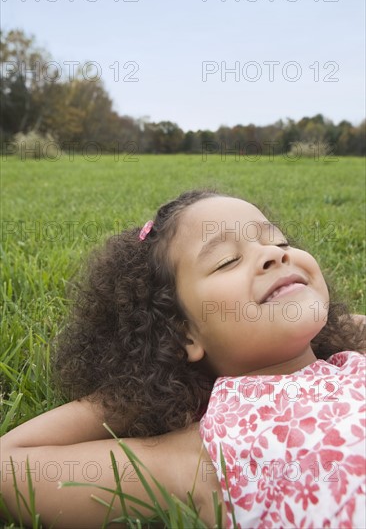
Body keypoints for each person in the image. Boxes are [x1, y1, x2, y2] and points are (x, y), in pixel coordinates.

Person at [1, 189, 365, 529]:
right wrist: (140, 391)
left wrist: (334, 326)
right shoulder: (206, 456)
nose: (275, 254)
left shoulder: (352, 362)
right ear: (183, 334)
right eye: (227, 261)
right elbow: (9, 464)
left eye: (279, 241)